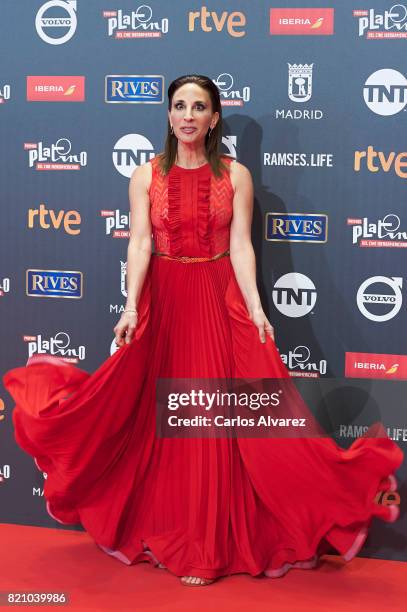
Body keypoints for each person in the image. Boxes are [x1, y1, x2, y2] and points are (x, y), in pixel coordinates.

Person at [3, 74, 403, 587]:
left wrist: (257, 308)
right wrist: (130, 307)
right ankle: (174, 532)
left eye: (198, 107)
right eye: (179, 106)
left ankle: (208, 545)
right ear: (168, 115)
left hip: (218, 298)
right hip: (165, 300)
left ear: (214, 118)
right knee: (155, 419)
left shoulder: (235, 176)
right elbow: (141, 244)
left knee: (213, 419)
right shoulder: (145, 176)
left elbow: (240, 246)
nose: (187, 115)